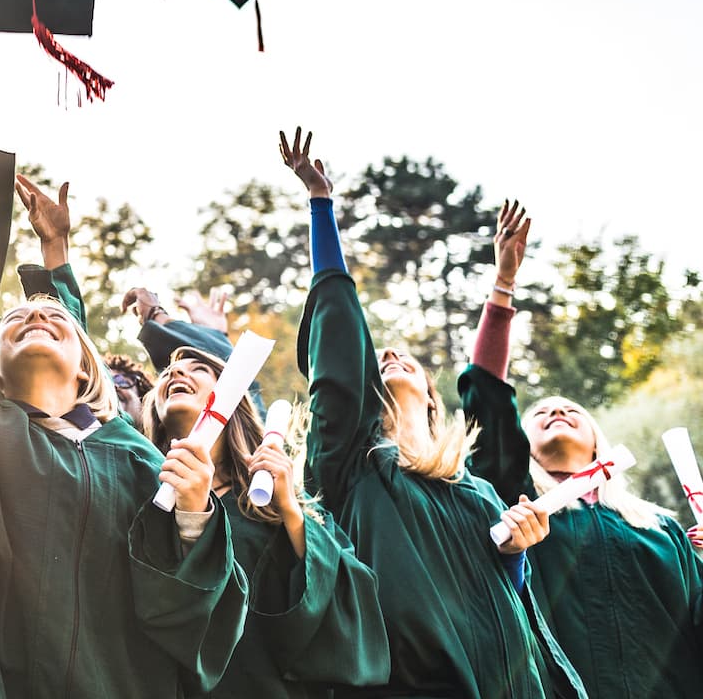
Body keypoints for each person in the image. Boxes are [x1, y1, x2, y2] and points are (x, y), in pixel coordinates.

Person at [0, 49, 246, 697]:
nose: (36, 319)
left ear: (86, 365)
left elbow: (185, 618)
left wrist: (190, 516)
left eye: (57, 323)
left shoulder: (133, 459)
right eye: (15, 318)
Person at [282, 127, 584, 699]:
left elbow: (510, 605)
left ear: (429, 394)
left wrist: (517, 553)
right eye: (381, 358)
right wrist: (322, 206)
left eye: (408, 359)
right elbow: (341, 349)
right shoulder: (351, 466)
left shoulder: (480, 492)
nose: (391, 354)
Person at [460, 201, 703, 698]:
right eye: (541, 412)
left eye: (571, 410)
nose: (556, 411)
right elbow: (486, 395)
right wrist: (503, 285)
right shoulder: (515, 507)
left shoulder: (661, 530)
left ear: (599, 444)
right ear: (522, 445)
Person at [141, 347, 390, 698]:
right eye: (167, 372)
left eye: (197, 368)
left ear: (232, 399)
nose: (175, 374)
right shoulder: (142, 501)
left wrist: (290, 511)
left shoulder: (276, 504)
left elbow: (352, 605)